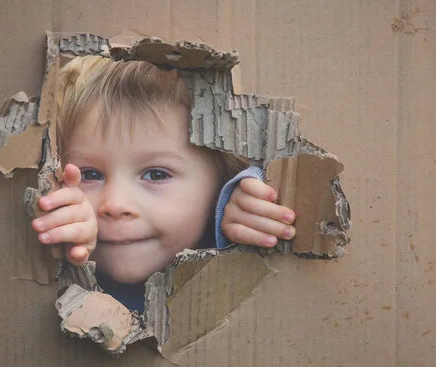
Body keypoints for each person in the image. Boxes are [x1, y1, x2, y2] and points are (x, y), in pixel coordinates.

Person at [30, 56, 296, 310]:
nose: (115, 204)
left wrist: (243, 197)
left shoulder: (224, 236)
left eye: (156, 174)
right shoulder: (48, 269)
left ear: (220, 180)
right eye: (90, 175)